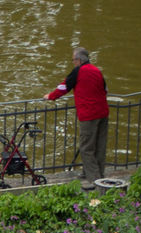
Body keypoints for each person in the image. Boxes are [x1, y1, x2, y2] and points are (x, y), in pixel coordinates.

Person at [45, 47, 110, 187]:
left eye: (73, 60)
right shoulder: (97, 70)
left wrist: (50, 96)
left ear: (79, 60)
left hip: (89, 114)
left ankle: (95, 180)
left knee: (86, 147)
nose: (73, 63)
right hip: (103, 112)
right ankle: (97, 174)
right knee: (99, 145)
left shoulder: (78, 71)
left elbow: (64, 87)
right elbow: (105, 90)